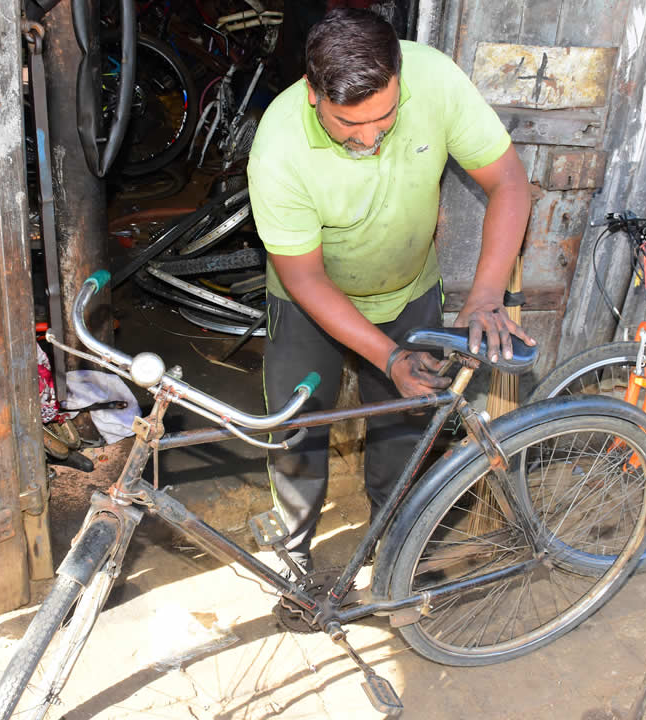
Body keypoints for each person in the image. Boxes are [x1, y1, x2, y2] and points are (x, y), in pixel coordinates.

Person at [247, 8, 534, 576]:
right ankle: (294, 555)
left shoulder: (435, 79)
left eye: (384, 117)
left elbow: (509, 182)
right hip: (308, 303)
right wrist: (387, 354)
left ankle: (391, 544)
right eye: (348, 125)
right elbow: (305, 277)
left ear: (401, 78)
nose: (371, 138)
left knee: (404, 426)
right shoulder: (278, 146)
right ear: (313, 94)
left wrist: (484, 297)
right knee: (299, 428)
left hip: (408, 291)